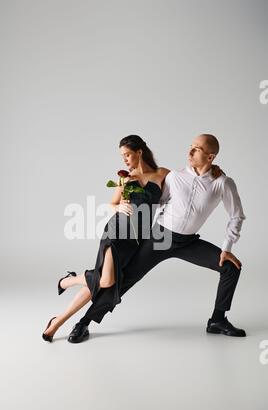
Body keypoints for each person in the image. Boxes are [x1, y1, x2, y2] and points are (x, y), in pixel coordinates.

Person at [67, 133, 246, 343]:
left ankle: (217, 320)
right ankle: (84, 322)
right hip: (160, 237)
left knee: (231, 268)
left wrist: (227, 247)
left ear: (210, 157)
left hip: (189, 242)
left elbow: (237, 215)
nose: (189, 151)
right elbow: (152, 200)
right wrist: (125, 197)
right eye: (191, 146)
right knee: (123, 280)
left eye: (197, 149)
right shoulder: (174, 177)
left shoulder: (222, 183)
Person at [42, 135, 168, 342]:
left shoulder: (162, 174)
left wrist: (214, 172)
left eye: (127, 154)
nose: (125, 160)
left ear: (139, 152)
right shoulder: (125, 178)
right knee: (107, 279)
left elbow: (187, 182)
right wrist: (120, 206)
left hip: (136, 239)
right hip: (116, 231)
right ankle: (66, 289)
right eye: (122, 156)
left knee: (102, 281)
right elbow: (111, 204)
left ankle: (59, 314)